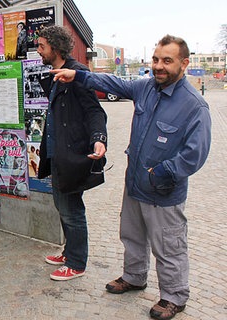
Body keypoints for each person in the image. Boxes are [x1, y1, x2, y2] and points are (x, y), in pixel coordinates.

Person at [51, 34, 211, 320]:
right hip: (134, 184)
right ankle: (134, 277)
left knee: (169, 247)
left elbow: (194, 155)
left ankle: (174, 297)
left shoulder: (194, 106)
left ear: (184, 63)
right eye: (156, 59)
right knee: (132, 236)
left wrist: (160, 174)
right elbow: (113, 83)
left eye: (167, 61)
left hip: (163, 192)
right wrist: (78, 75)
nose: (159, 66)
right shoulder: (147, 87)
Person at [35, 26, 108, 281]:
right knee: (61, 204)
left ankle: (76, 263)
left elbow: (95, 111)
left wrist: (99, 139)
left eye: (42, 46)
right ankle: (69, 251)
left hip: (72, 154)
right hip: (57, 154)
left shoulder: (78, 74)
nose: (38, 50)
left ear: (55, 48)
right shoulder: (55, 73)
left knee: (71, 209)